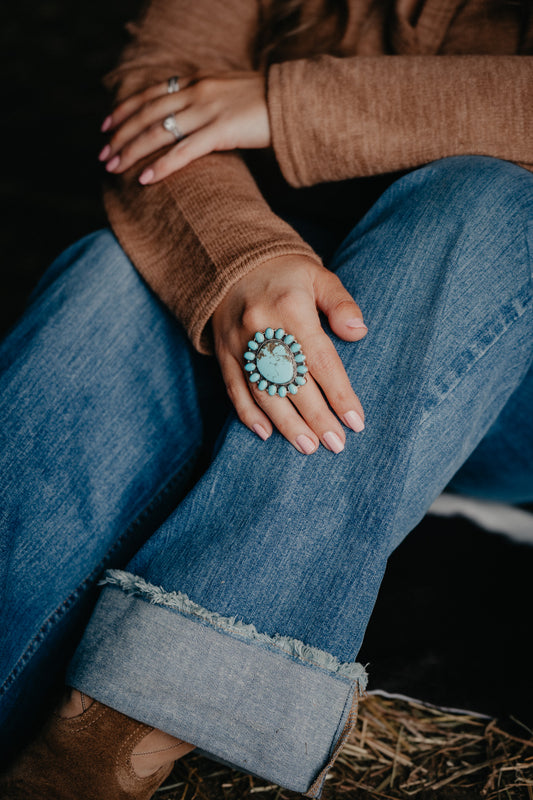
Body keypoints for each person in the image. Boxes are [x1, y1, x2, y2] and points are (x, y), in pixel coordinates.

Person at [1, 0, 532, 797]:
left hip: (505, 371)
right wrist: (242, 260)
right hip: (284, 302)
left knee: (488, 203)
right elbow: (155, 99)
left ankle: (122, 737)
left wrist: (286, 103)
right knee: (109, 279)